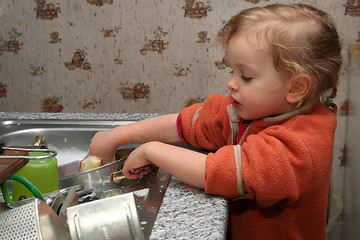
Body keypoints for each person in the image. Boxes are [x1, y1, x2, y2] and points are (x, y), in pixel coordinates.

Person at [87, 3, 342, 239]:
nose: (232, 83)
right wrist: (116, 136)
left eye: (246, 76)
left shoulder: (301, 145)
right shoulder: (253, 111)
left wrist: (151, 150)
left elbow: (225, 173)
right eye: (232, 71)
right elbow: (188, 124)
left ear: (296, 88)